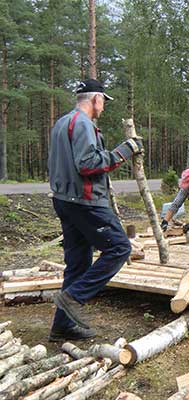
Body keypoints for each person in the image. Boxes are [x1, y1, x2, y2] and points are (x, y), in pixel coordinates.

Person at [48, 79, 142, 341]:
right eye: (103, 102)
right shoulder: (83, 124)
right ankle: (74, 297)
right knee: (119, 248)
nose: (103, 108)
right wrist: (126, 150)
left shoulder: (61, 123)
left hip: (65, 200)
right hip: (85, 201)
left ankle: (62, 327)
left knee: (77, 264)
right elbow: (88, 164)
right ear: (96, 99)